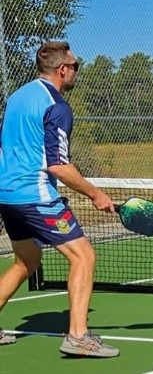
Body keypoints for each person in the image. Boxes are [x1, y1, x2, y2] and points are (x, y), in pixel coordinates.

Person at [0, 42, 119, 357]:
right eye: (76, 66)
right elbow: (57, 164)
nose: (77, 71)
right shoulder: (57, 105)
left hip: (6, 193)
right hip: (34, 194)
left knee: (27, 261)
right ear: (62, 69)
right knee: (84, 256)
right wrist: (95, 194)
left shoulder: (16, 97)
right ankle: (78, 336)